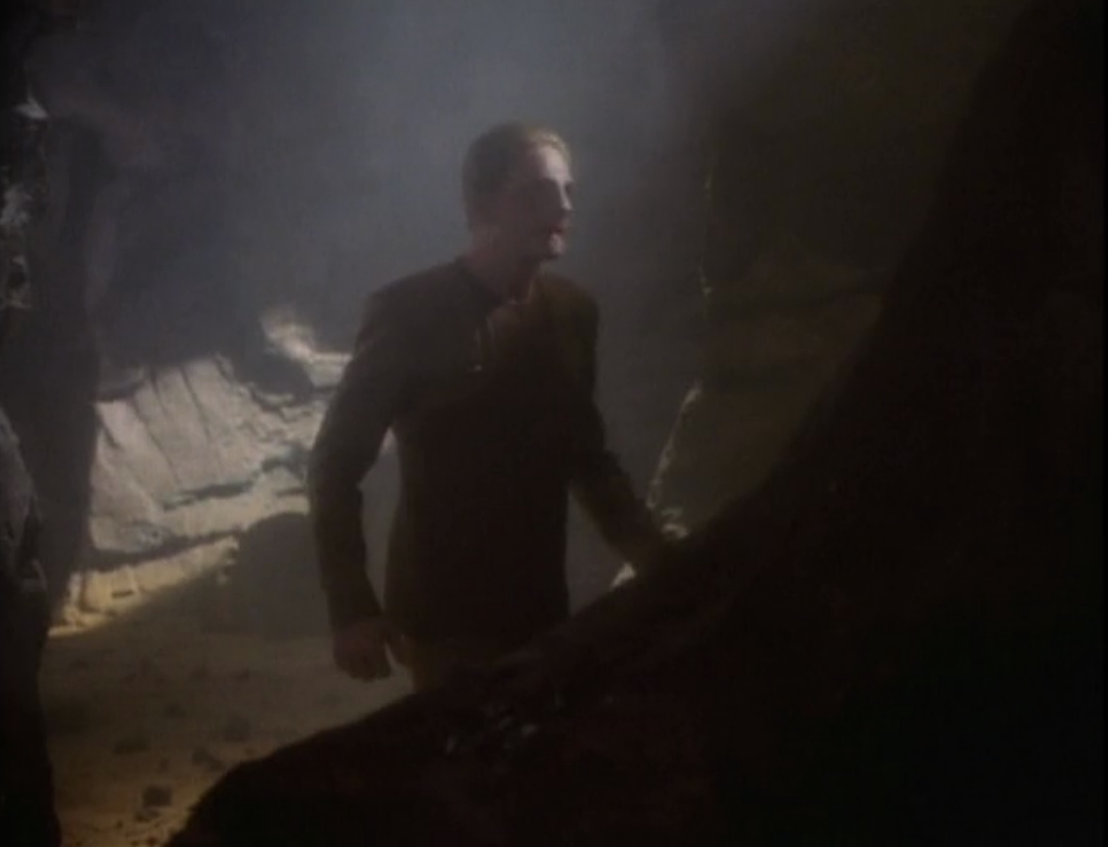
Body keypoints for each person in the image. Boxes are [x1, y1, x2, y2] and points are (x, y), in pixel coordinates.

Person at [308, 122, 669, 691]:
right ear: (483, 204)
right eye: (538, 192)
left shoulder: (572, 312)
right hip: (441, 620)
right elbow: (335, 464)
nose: (563, 207)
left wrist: (656, 558)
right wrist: (351, 608)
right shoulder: (409, 314)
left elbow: (587, 457)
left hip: (540, 607)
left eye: (568, 190)